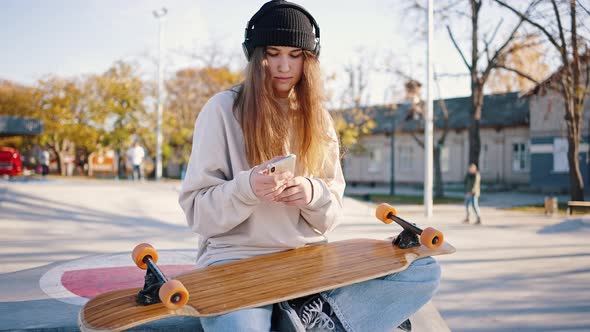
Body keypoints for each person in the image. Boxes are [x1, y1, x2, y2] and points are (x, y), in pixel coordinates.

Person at [179, 1, 441, 331]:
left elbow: (329, 218)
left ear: (310, 59)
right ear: (256, 55)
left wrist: (311, 193)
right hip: (236, 262)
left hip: (306, 262)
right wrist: (246, 189)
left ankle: (312, 320)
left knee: (423, 269)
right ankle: (329, 319)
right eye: (272, 53)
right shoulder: (222, 110)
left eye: (296, 54)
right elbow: (197, 213)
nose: (283, 66)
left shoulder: (318, 120)